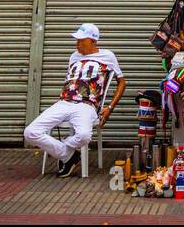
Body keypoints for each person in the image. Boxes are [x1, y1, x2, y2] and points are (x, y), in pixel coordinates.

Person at [23, 23, 126, 177]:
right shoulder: (74, 56)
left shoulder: (108, 56)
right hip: (64, 102)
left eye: (80, 40)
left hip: (87, 105)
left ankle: (64, 151)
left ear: (93, 41)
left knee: (84, 135)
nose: (77, 44)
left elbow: (122, 82)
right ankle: (69, 156)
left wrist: (109, 108)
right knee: (30, 132)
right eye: (76, 40)